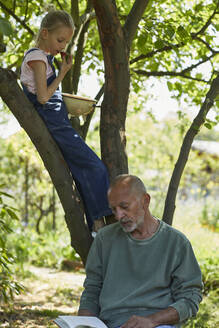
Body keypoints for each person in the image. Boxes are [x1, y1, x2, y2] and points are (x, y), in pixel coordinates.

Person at [20, 10, 112, 231]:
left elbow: (48, 97)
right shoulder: (37, 58)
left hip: (58, 121)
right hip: (55, 125)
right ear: (44, 33)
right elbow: (43, 97)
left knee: (81, 173)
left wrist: (71, 108)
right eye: (59, 40)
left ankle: (96, 225)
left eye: (66, 42)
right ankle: (102, 222)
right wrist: (62, 73)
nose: (62, 46)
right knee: (96, 168)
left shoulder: (44, 59)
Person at [78, 174, 203, 328]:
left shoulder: (176, 243)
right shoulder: (105, 238)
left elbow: (190, 297)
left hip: (158, 324)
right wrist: (83, 324)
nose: (118, 216)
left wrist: (153, 320)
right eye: (113, 209)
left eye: (124, 207)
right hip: (111, 324)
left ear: (145, 201)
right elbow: (92, 289)